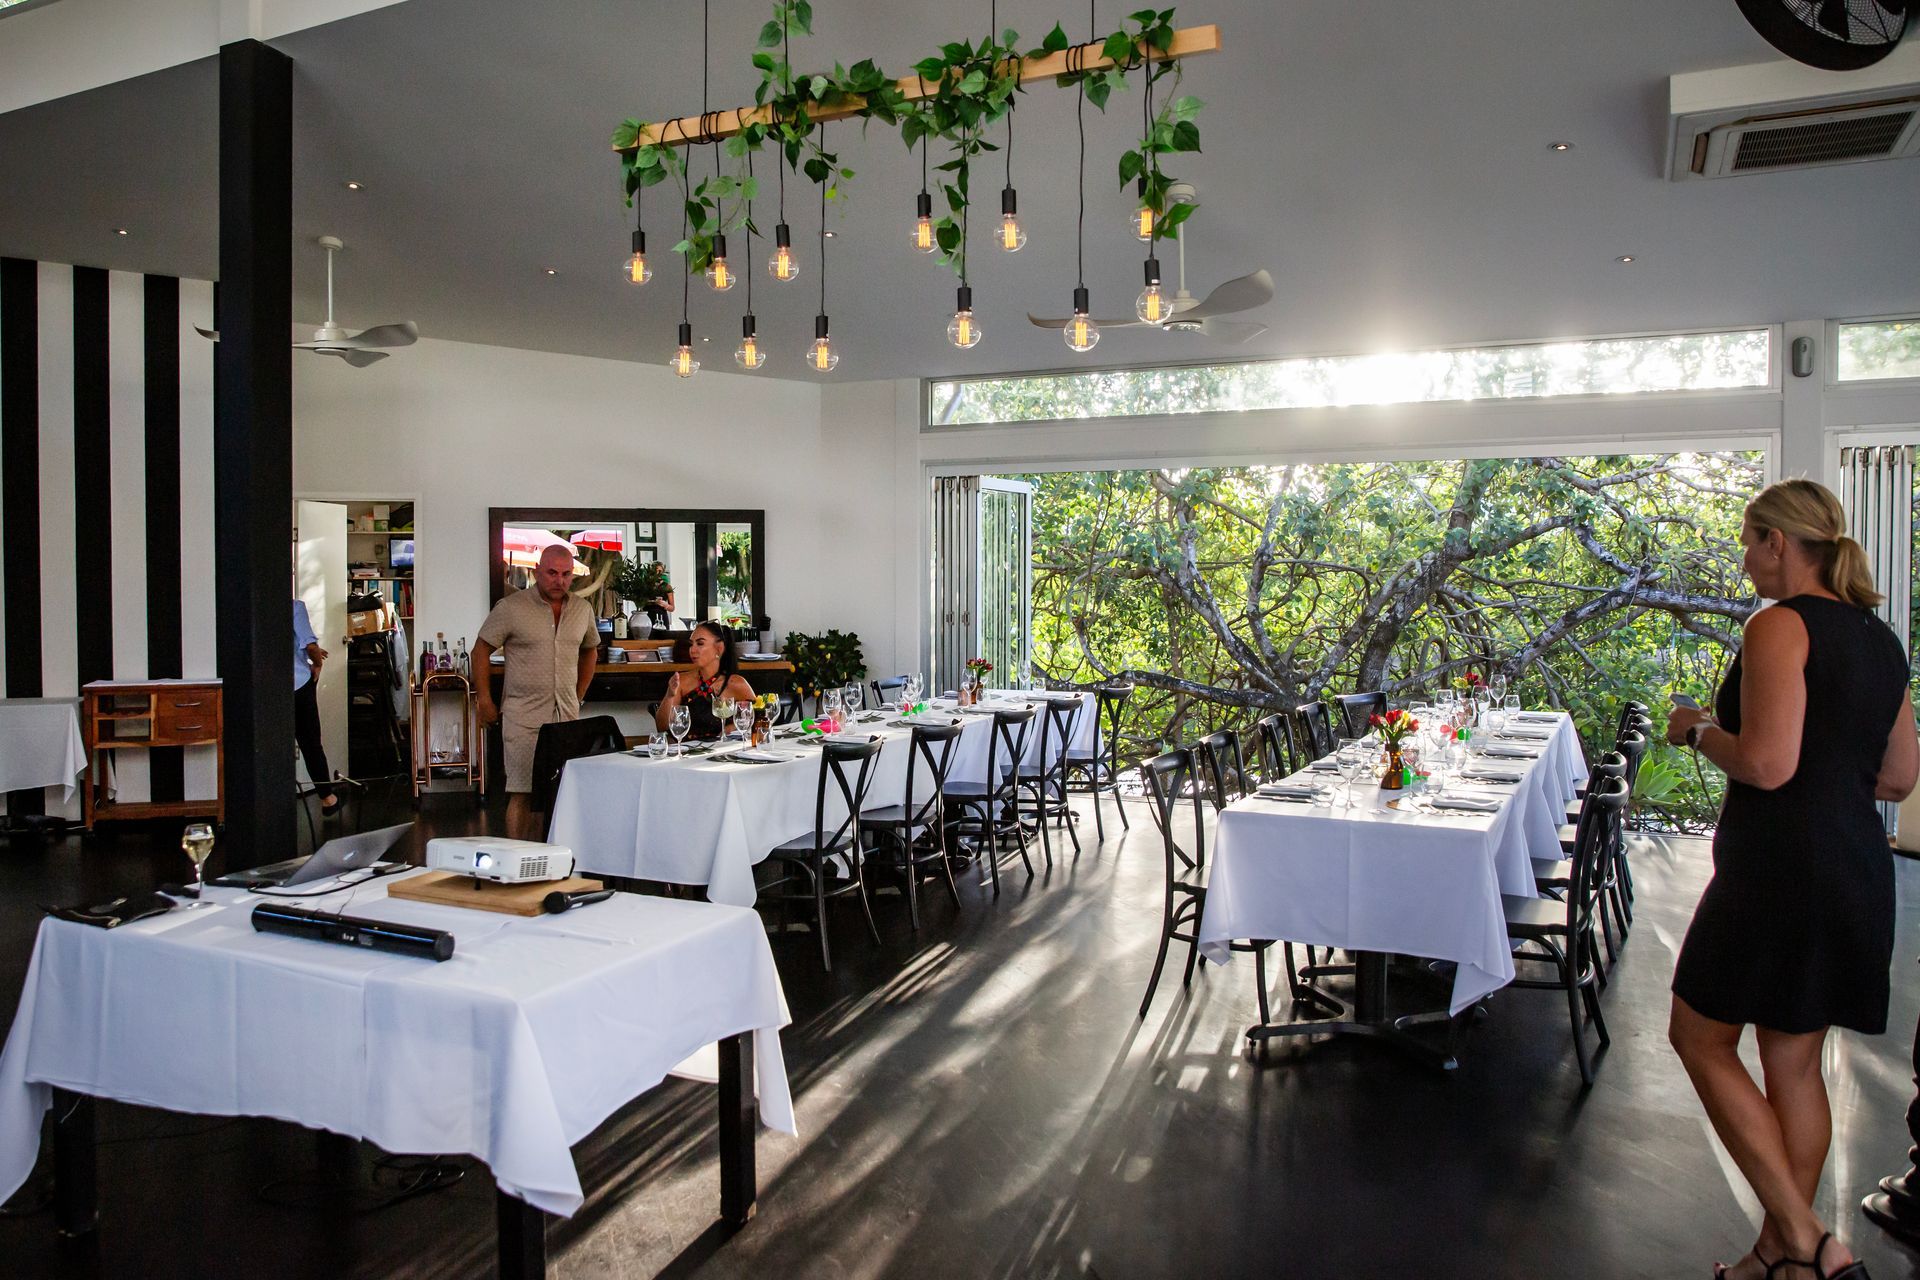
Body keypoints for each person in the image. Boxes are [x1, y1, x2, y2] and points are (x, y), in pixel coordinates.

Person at [1666, 478, 1918, 1280]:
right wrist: (1832, 773)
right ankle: (1781, 1260)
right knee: (1795, 1064)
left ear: (1780, 542)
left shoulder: (1779, 626)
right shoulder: (1879, 640)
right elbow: (1899, 778)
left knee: (1698, 1035)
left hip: (1778, 875)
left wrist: (1700, 729)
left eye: (1750, 541)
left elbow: (1767, 764)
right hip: (1853, 868)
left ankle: (1808, 1240)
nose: (1744, 560)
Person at [473, 544, 598, 839]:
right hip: (523, 717)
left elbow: (590, 650)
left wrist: (578, 694)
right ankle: (518, 862)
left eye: (566, 574)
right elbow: (480, 651)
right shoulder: (511, 608)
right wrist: (485, 699)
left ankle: (552, 860)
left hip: (566, 717)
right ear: (537, 572)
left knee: (561, 792)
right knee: (523, 792)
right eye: (552, 573)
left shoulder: (582, 610)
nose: (560, 580)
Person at [655, 621, 753, 739]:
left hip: (722, 751)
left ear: (719, 648)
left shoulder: (735, 683)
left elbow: (756, 719)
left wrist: (733, 727)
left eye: (700, 643)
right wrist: (669, 695)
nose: (692, 649)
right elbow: (662, 727)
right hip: (686, 751)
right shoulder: (681, 681)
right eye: (691, 644)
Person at [292, 599, 340, 817]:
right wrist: (317, 663)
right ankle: (327, 798)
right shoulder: (294, 607)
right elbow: (309, 646)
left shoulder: (254, 603)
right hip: (298, 685)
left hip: (264, 689)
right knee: (311, 743)